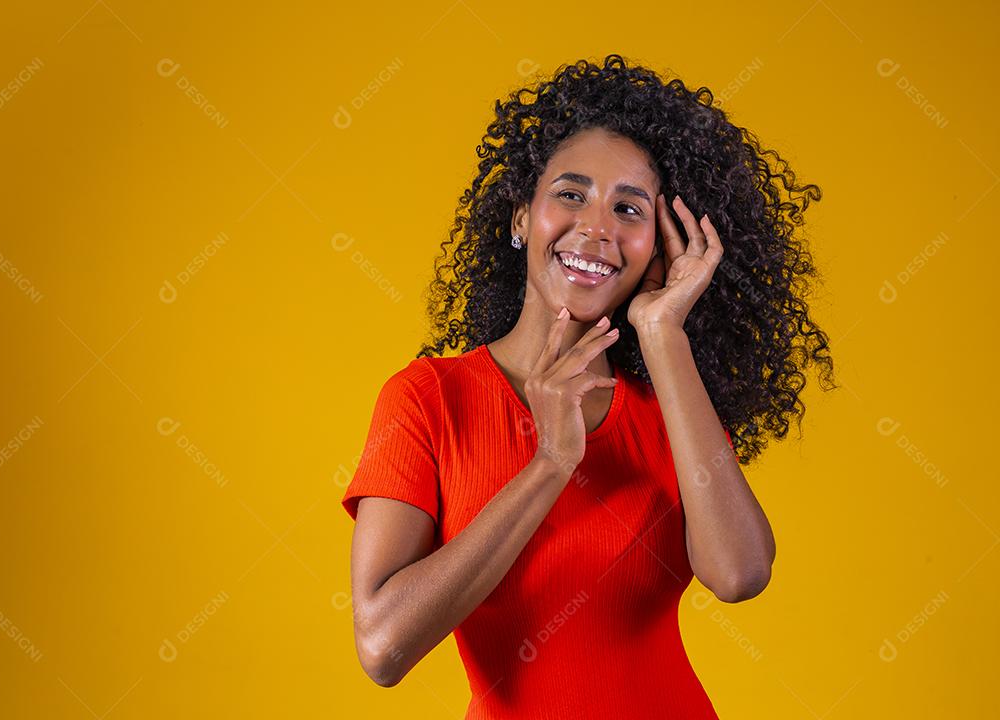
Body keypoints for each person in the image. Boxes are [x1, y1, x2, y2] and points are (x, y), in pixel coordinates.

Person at [340, 54, 836, 718]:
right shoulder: (429, 400)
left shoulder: (668, 404)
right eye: (571, 194)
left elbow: (740, 573)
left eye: (628, 208)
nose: (597, 226)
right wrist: (550, 462)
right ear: (521, 216)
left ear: (657, 245)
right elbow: (383, 646)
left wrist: (663, 334)